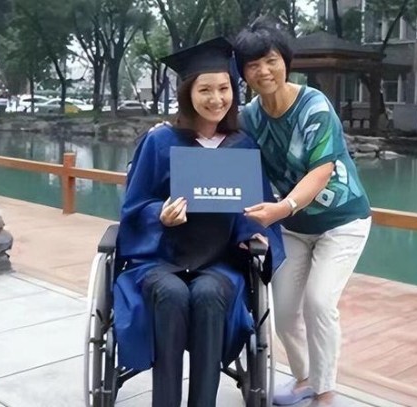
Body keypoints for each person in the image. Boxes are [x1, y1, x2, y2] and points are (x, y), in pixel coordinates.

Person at [113, 37, 284, 407]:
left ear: (233, 93)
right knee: (172, 294)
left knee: (208, 294)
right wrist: (159, 215)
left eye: (224, 89)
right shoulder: (160, 141)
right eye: (205, 89)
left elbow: (257, 209)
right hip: (159, 260)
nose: (216, 99)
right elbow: (134, 206)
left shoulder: (242, 146)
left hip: (220, 263)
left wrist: (254, 234)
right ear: (188, 93)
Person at [234, 20, 372, 407]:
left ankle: (325, 393)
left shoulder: (314, 105)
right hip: (293, 227)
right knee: (284, 312)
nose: (263, 71)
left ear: (286, 62)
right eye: (252, 65)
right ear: (243, 72)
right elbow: (221, 144)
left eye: (271, 60)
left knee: (319, 302)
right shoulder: (249, 118)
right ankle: (305, 378)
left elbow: (321, 171)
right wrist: (174, 130)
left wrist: (283, 207)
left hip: (341, 221)